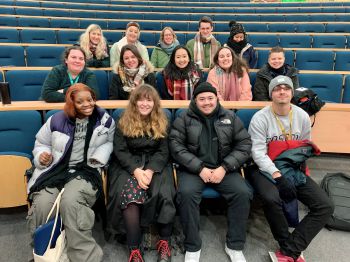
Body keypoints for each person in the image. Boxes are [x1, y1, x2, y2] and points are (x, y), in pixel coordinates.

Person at [246, 76, 334, 262]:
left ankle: (290, 249)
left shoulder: (301, 115)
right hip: (263, 167)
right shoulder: (260, 118)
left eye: (286, 88)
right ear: (271, 94)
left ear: (292, 93)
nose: (282, 91)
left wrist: (299, 172)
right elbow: (258, 153)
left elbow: (304, 147)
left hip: (291, 167)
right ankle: (286, 243)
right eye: (277, 89)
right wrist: (277, 176)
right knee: (272, 198)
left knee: (325, 206)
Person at [27, 83, 115, 262]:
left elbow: (109, 143)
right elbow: (41, 143)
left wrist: (98, 158)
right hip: (55, 169)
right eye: (80, 101)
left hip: (86, 170)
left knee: (71, 202)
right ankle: (48, 253)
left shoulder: (104, 120)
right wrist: (42, 156)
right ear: (71, 103)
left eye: (90, 100)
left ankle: (84, 256)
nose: (87, 104)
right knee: (43, 203)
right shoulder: (56, 120)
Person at [169, 82, 252, 262]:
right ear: (195, 100)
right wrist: (199, 168)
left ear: (216, 98)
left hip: (224, 169)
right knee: (186, 194)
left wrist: (225, 167)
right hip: (194, 170)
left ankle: (234, 245)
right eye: (202, 99)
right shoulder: (183, 118)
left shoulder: (230, 117)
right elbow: (176, 147)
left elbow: (245, 145)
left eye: (210, 98)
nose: (206, 102)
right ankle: (192, 245)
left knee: (243, 193)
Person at [106, 84, 176, 262]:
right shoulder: (123, 119)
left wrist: (150, 170)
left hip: (156, 162)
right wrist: (136, 171)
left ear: (154, 102)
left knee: (165, 193)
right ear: (134, 102)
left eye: (149, 100)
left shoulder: (163, 119)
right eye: (141, 100)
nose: (145, 103)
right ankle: (134, 248)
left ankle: (164, 242)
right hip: (129, 163)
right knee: (129, 197)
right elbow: (120, 150)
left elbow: (164, 150)